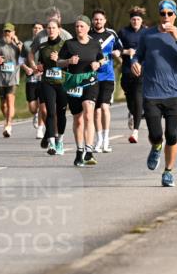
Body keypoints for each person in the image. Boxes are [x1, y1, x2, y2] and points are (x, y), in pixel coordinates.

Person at [129, 0, 177, 187]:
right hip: (151, 93)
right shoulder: (148, 35)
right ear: (159, 15)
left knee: (172, 135)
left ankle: (168, 172)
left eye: (169, 13)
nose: (165, 16)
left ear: (175, 15)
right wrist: (134, 62)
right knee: (156, 134)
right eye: (162, 13)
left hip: (174, 93)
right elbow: (137, 55)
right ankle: (156, 146)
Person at [60, 16, 104, 166]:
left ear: (88, 27)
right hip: (73, 82)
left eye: (81, 26)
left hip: (90, 82)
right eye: (77, 26)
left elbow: (102, 59)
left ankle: (89, 151)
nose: (79, 29)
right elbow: (58, 62)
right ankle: (79, 152)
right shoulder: (69, 44)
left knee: (88, 113)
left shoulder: (94, 44)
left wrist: (97, 63)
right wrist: (68, 61)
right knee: (78, 119)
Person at [89, 8, 122, 152]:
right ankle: (99, 139)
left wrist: (117, 53)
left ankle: (107, 140)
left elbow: (120, 48)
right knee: (96, 112)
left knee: (104, 107)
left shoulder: (111, 34)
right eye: (96, 19)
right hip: (92, 77)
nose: (98, 21)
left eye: (100, 19)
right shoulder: (88, 35)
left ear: (105, 20)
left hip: (108, 75)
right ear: (92, 21)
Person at [35, 19, 69, 155]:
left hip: (62, 83)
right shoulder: (42, 47)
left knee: (61, 114)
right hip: (47, 82)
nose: (51, 30)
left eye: (54, 28)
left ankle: (60, 139)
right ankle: (52, 144)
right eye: (49, 28)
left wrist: (59, 60)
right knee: (51, 112)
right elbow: (41, 63)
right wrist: (39, 66)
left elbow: (70, 64)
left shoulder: (66, 46)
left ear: (59, 29)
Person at [118, 7, 147, 143]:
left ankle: (135, 132)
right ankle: (132, 112)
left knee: (138, 99)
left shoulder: (146, 33)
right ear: (130, 20)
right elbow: (116, 50)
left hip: (141, 72)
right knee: (130, 100)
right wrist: (125, 51)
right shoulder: (123, 32)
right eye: (133, 19)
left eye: (138, 19)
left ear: (142, 21)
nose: (136, 21)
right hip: (126, 71)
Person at [0, 22, 22, 137]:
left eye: (9, 31)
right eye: (5, 31)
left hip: (13, 78)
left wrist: (17, 41)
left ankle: (8, 124)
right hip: (0, 78)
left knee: (9, 99)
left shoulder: (17, 44)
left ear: (13, 32)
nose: (7, 33)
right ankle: (7, 119)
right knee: (3, 105)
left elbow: (24, 55)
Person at [22, 22, 45, 139]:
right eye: (35, 28)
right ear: (32, 30)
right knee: (32, 107)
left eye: (39, 28)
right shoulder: (26, 44)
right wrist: (26, 68)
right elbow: (20, 60)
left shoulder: (46, 42)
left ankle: (40, 129)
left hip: (43, 78)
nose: (37, 30)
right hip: (31, 78)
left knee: (42, 104)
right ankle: (35, 115)